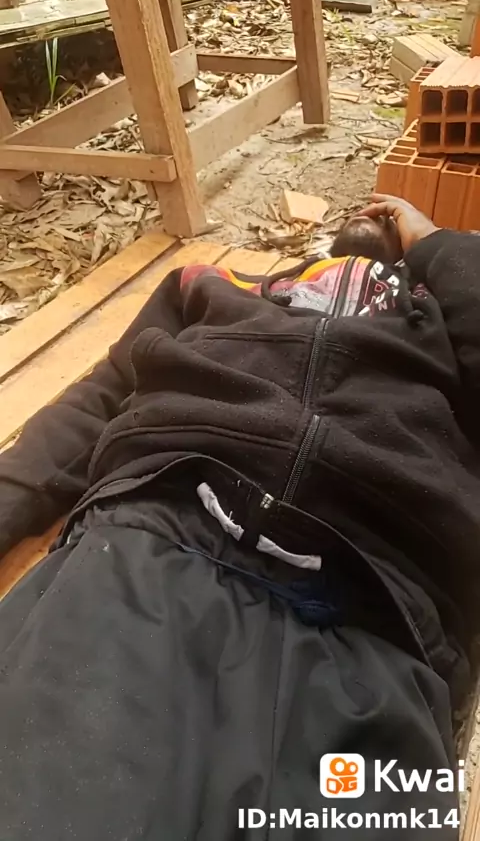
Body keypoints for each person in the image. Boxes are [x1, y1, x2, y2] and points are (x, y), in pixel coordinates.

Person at [0, 194, 477, 840]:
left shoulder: (443, 320)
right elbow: (99, 399)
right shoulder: (214, 284)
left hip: (382, 611)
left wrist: (437, 244)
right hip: (155, 542)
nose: (374, 209)